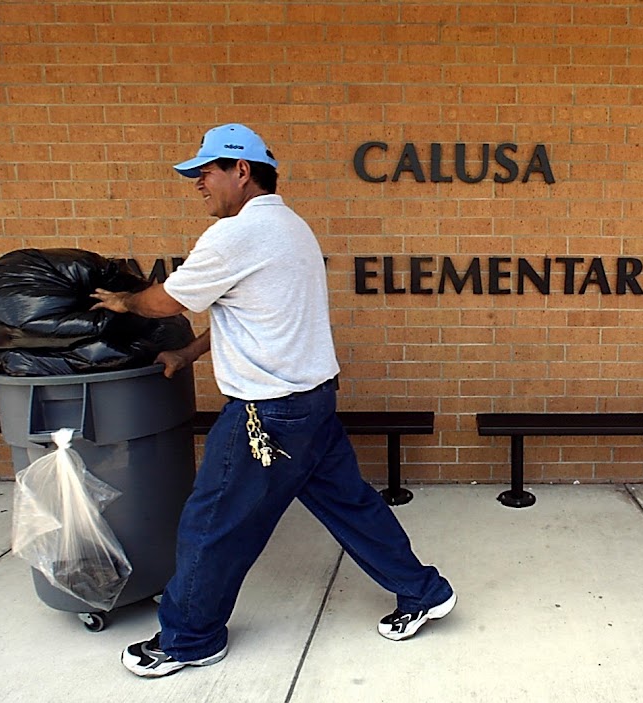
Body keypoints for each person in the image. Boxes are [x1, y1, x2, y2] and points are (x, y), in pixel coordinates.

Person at [91, 123, 455, 678]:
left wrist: (123, 299)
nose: (198, 183)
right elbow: (245, 309)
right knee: (350, 505)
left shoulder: (234, 236)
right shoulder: (290, 227)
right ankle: (423, 592)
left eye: (206, 171)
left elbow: (165, 303)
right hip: (311, 401)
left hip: (268, 413)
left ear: (241, 170)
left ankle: (189, 639)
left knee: (211, 523)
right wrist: (189, 356)